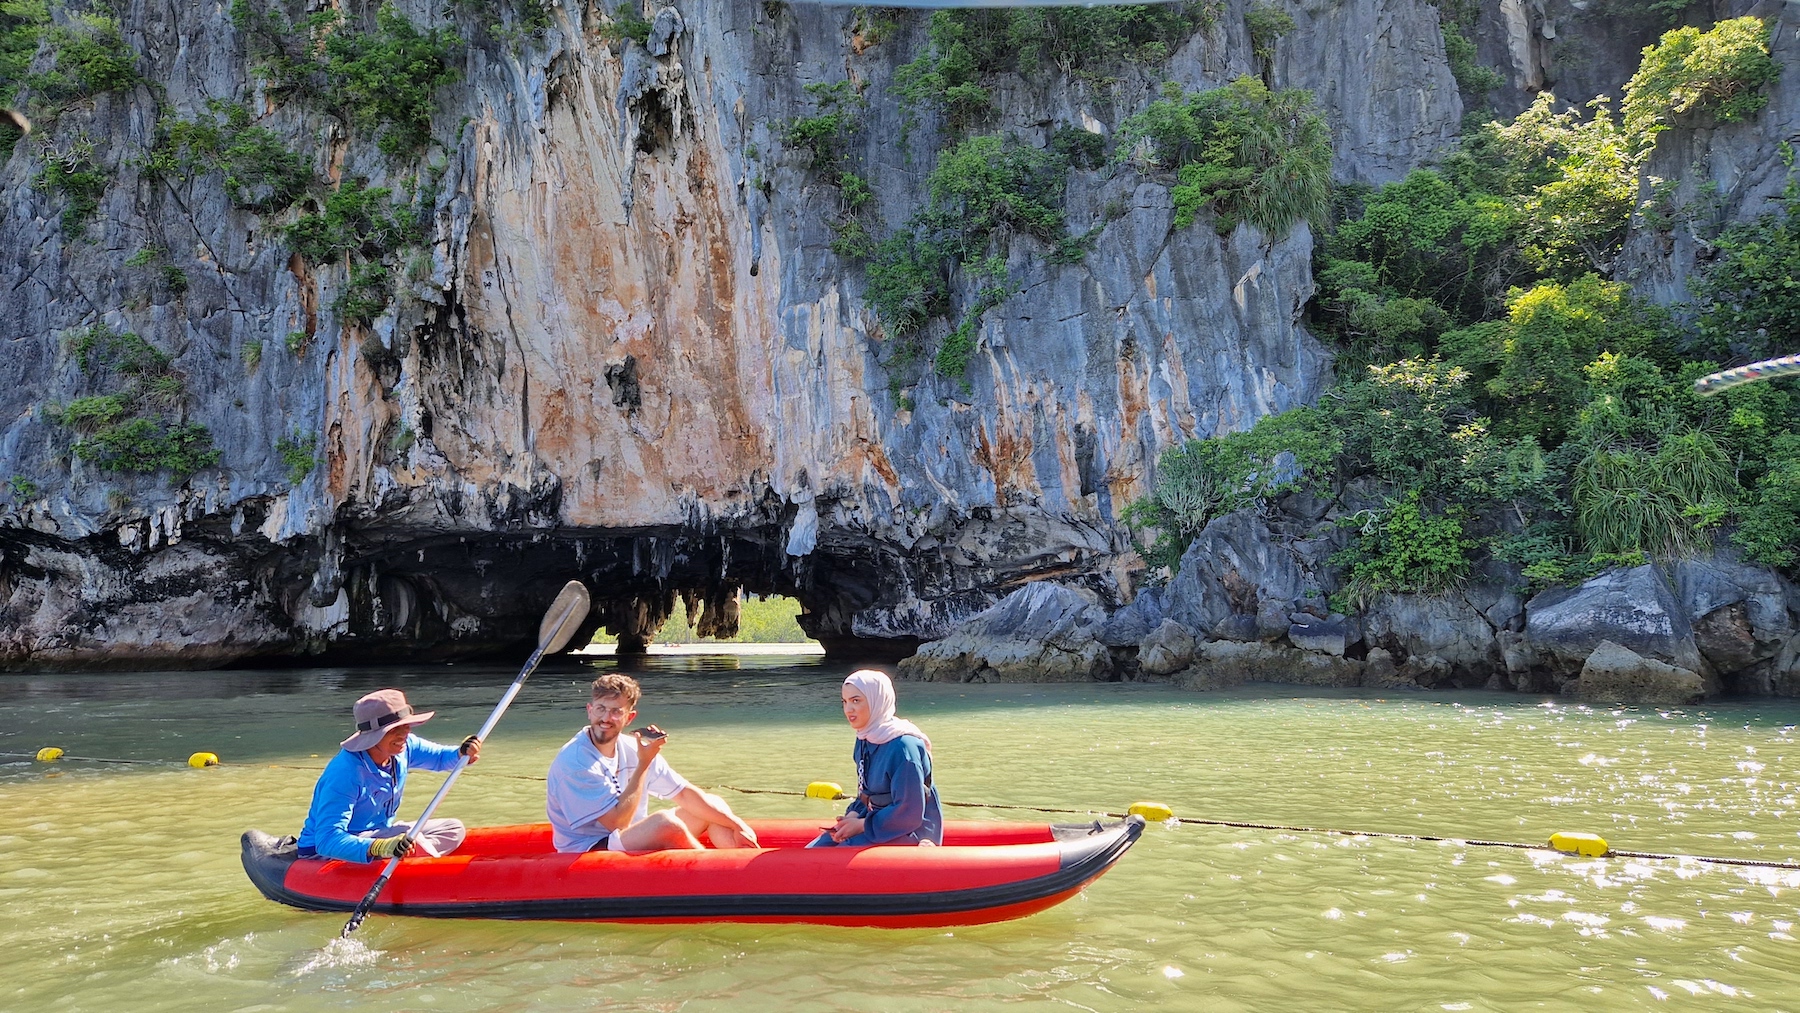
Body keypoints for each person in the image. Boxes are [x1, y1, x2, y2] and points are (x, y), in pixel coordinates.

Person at [545, 673, 759, 853]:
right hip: (589, 850)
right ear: (590, 710)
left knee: (714, 805)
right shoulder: (575, 762)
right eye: (601, 708)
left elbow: (684, 794)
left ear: (630, 718)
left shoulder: (632, 748)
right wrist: (643, 765)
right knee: (666, 824)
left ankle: (745, 868)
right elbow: (618, 823)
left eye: (616, 711)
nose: (606, 718)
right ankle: (716, 876)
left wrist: (737, 825)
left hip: (629, 836)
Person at [296, 688, 480, 862]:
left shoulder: (404, 747)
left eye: (406, 726)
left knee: (453, 828)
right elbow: (327, 840)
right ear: (372, 736)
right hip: (324, 851)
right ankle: (421, 864)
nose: (404, 734)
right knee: (414, 839)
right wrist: (379, 847)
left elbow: (440, 758)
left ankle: (409, 859)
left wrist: (462, 753)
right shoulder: (345, 773)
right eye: (393, 729)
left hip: (380, 832)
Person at [811, 669, 943, 848]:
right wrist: (852, 816)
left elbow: (909, 811)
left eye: (856, 701)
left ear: (877, 700)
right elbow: (866, 793)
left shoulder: (904, 747)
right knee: (818, 847)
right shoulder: (865, 738)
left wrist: (861, 825)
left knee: (838, 854)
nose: (848, 709)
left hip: (910, 830)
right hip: (874, 820)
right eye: (845, 701)